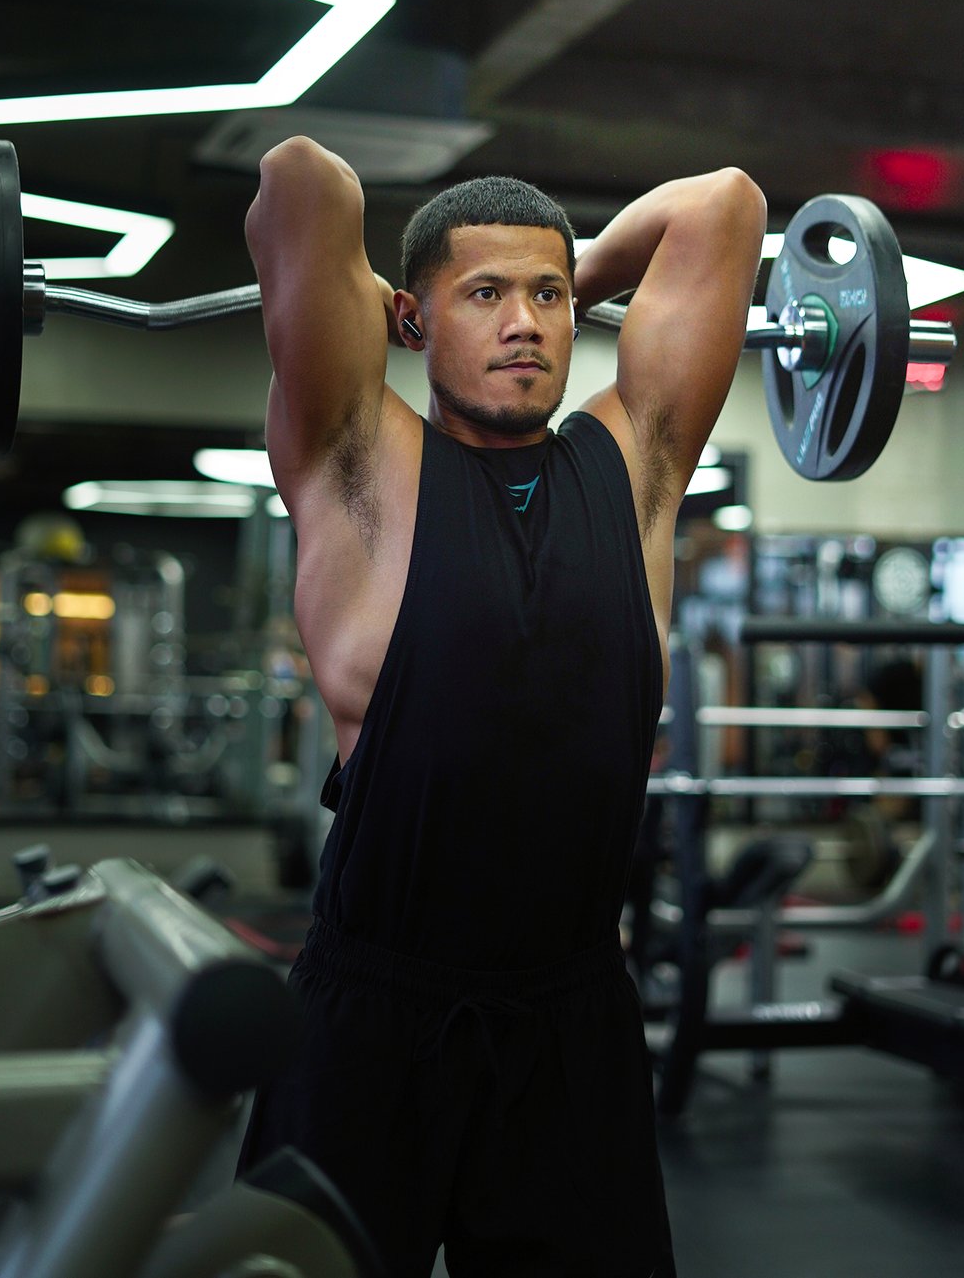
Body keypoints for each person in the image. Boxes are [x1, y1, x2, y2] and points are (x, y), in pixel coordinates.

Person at [237, 136, 766, 1278]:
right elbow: (303, 181)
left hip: (572, 1022)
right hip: (372, 1018)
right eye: (485, 295)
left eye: (548, 298)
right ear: (412, 320)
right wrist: (393, 303)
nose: (525, 323)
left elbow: (724, 206)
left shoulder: (637, 468)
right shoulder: (356, 460)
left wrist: (574, 269)